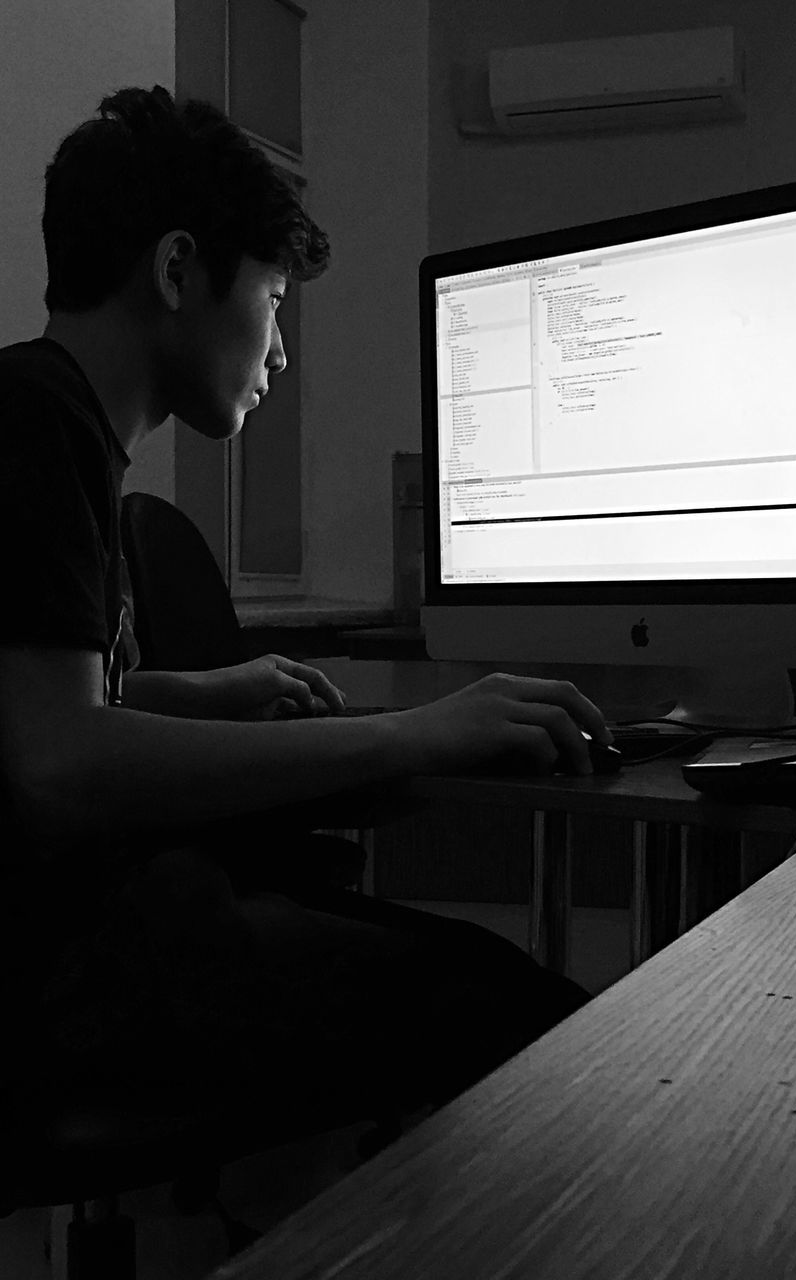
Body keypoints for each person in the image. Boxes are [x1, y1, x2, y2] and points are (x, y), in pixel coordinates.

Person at [0, 87, 613, 1150]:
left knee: (488, 987)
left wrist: (199, 692)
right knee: (542, 1031)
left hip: (86, 933)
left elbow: (35, 701)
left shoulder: (50, 420)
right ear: (178, 269)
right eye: (276, 298)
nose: (279, 351)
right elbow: (52, 760)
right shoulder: (30, 420)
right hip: (46, 977)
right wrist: (413, 729)